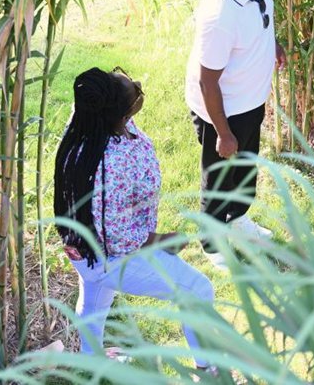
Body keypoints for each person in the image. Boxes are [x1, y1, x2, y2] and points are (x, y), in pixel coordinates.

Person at [54, 67, 215, 372]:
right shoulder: (110, 162)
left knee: (96, 300)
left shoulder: (89, 122)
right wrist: (161, 240)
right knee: (197, 290)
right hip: (110, 256)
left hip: (84, 250)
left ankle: (91, 360)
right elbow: (119, 236)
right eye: (134, 94)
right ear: (119, 115)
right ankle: (207, 370)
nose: (138, 84)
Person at [185, 0, 287, 270]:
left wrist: (271, 43)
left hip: (251, 101)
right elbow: (207, 81)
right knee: (219, 176)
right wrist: (223, 132)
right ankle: (213, 244)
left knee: (245, 167)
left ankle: (239, 218)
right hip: (223, 110)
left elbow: (260, 14)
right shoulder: (219, 17)